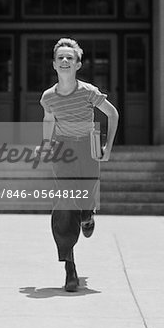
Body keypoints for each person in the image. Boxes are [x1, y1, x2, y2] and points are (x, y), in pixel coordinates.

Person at [37, 38, 119, 292]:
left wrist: (108, 148)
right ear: (53, 64)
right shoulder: (48, 97)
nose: (64, 61)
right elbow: (48, 120)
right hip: (63, 149)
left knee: (84, 200)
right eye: (60, 57)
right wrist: (44, 144)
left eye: (69, 58)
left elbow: (113, 114)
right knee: (64, 203)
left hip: (89, 144)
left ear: (78, 64)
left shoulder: (88, 92)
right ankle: (69, 267)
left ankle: (87, 214)